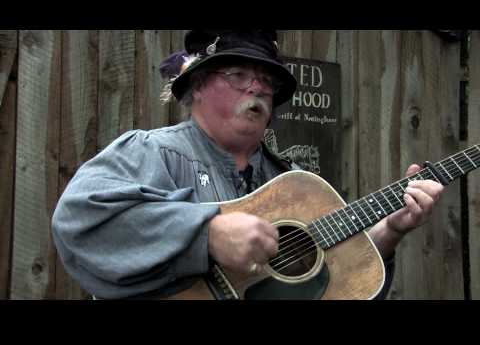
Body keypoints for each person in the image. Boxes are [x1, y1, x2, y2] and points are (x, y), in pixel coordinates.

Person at [51, 30, 444, 300]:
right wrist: (206, 234)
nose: (256, 87)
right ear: (198, 85)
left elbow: (342, 284)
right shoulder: (152, 152)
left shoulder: (292, 184)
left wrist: (390, 231)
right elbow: (78, 220)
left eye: (265, 81)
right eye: (238, 74)